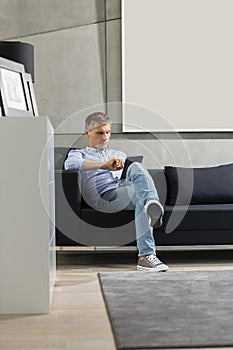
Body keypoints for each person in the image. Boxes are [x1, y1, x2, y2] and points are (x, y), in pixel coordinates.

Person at [64, 112, 169, 272]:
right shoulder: (78, 154)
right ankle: (152, 208)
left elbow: (132, 177)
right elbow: (70, 166)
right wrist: (104, 165)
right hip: (103, 197)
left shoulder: (118, 155)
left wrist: (123, 168)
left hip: (123, 190)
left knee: (137, 169)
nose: (105, 137)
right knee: (142, 195)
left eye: (107, 132)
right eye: (100, 133)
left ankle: (146, 255)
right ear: (87, 133)